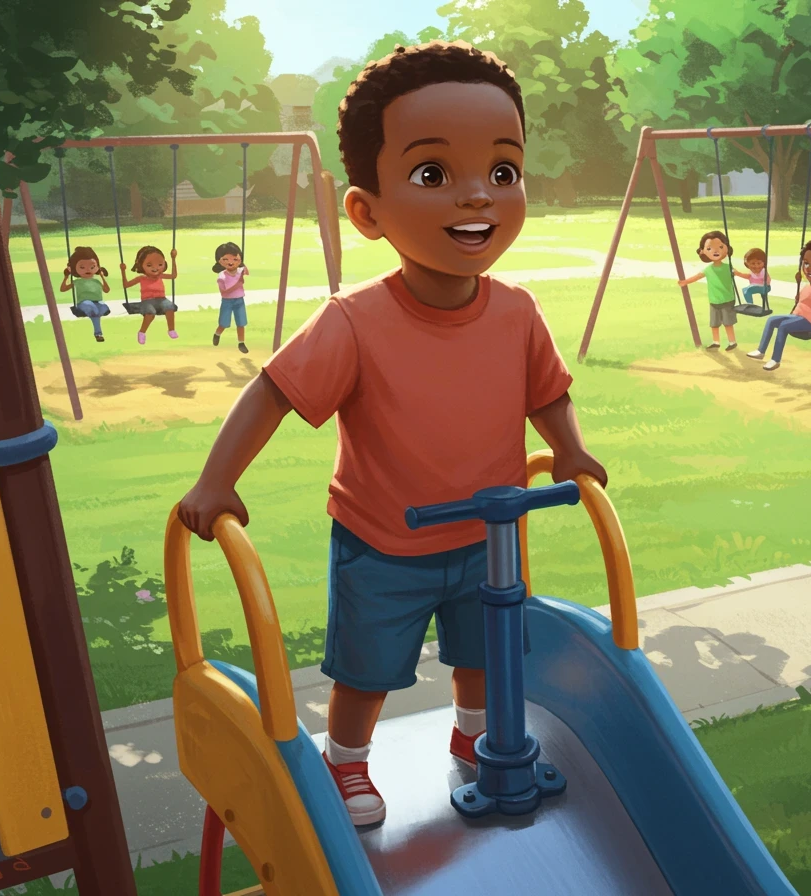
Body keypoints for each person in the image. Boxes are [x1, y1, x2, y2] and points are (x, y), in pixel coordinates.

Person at [176, 40, 606, 828]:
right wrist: (216, 479)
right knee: (368, 671)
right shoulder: (354, 322)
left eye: (501, 173)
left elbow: (548, 393)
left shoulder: (515, 312)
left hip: (490, 535)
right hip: (384, 540)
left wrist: (569, 447)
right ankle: (347, 764)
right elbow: (272, 392)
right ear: (368, 212)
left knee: (485, 656)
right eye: (434, 175)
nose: (475, 198)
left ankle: (475, 740)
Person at [747, 237, 811, 371]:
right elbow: (801, 302)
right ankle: (761, 351)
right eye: (806, 263)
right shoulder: (806, 287)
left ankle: (775, 359)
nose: (810, 269)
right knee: (771, 320)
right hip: (798, 317)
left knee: (783, 327)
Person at [677, 230, 738, 351]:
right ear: (702, 251)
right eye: (709, 249)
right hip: (714, 300)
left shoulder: (728, 267)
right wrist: (685, 282)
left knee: (728, 322)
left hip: (727, 299)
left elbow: (738, 274)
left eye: (720, 247)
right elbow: (697, 277)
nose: (715, 251)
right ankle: (716, 342)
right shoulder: (708, 269)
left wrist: (753, 277)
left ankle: (732, 342)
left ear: (727, 248)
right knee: (714, 323)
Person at [122, 245, 179, 344]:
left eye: (160, 264)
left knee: (169, 307)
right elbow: (126, 285)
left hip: (161, 299)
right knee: (150, 312)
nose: (155, 268)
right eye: (149, 265)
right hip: (147, 301)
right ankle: (142, 332)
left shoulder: (160, 276)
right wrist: (123, 271)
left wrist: (173, 259)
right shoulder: (141, 278)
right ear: (141, 265)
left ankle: (171, 329)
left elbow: (174, 275)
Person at [59, 246, 111, 342]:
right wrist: (66, 277)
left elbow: (107, 290)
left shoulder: (96, 281)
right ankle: (98, 333)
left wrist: (102, 277)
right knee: (93, 309)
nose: (88, 270)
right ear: (74, 268)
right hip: (84, 303)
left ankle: (98, 332)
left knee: (103, 307)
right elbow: (63, 289)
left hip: (97, 302)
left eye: (92, 267)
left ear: (97, 267)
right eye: (82, 267)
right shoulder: (78, 282)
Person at [212, 242, 249, 353]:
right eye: (226, 259)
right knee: (224, 323)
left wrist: (243, 265)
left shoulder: (240, 271)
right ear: (220, 261)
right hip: (227, 302)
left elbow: (247, 271)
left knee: (241, 323)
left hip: (239, 301)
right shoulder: (222, 276)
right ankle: (217, 334)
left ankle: (241, 343)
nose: (231, 262)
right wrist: (238, 284)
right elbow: (224, 291)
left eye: (234, 259)